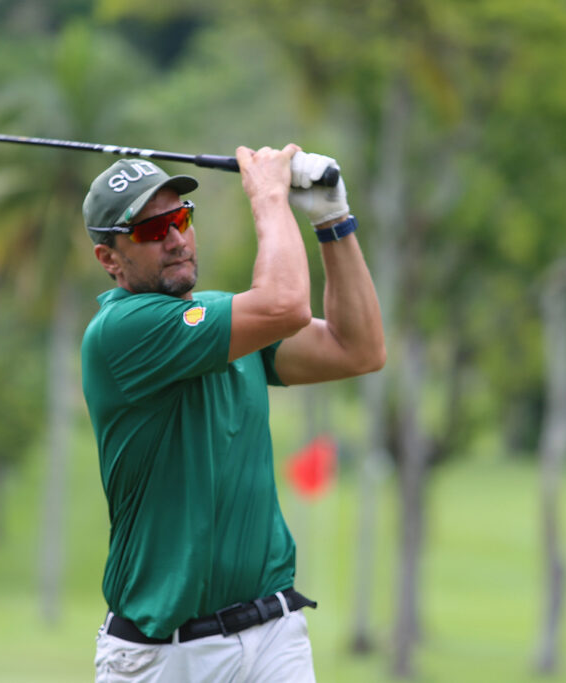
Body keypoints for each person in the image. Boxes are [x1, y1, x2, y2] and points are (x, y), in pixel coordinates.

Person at [81, 144, 385, 682]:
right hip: (164, 656)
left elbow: (357, 348)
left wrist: (332, 220)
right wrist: (268, 195)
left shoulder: (225, 319)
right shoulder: (120, 333)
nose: (176, 240)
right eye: (152, 231)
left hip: (273, 634)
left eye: (180, 219)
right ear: (110, 259)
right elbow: (285, 305)